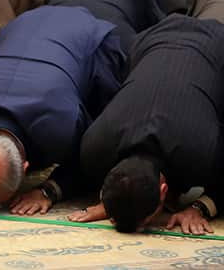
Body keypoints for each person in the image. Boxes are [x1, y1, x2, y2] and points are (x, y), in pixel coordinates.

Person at [0, 6, 125, 214]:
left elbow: (91, 159)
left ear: (26, 169)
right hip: (24, 23)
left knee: (108, 128)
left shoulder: (61, 125)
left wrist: (49, 190)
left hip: (89, 36)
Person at [72, 15, 224, 235]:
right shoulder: (95, 145)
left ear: (163, 191)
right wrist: (114, 200)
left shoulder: (200, 152)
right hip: (152, 38)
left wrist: (199, 208)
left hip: (216, 45)